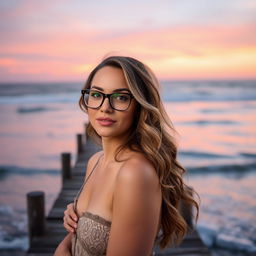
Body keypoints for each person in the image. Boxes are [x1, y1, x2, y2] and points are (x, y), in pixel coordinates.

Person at [54, 56, 199, 256]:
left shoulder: (135, 173)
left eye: (121, 97)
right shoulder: (95, 161)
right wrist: (75, 224)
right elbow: (85, 236)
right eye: (96, 94)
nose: (105, 107)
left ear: (140, 106)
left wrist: (61, 250)